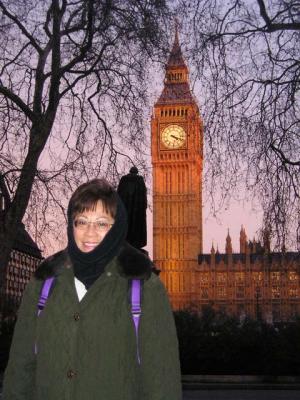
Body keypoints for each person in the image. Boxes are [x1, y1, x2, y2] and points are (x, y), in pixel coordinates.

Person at [3, 179, 181, 400]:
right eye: (82, 221)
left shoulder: (144, 288)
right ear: (71, 225)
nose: (90, 233)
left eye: (101, 223)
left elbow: (162, 385)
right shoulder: (43, 283)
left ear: (117, 227)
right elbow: (19, 372)